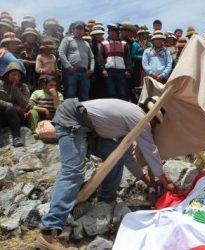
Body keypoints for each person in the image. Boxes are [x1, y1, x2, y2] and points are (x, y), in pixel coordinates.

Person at [36, 97, 175, 249]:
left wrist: (148, 181)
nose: (154, 126)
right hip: (73, 119)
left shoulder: (129, 118)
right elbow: (150, 150)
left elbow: (126, 155)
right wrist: (164, 180)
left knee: (115, 155)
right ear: (152, 115)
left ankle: (106, 200)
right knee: (73, 172)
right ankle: (49, 232)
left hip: (88, 129)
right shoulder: (139, 117)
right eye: (156, 122)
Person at [58, 21, 94, 101]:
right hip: (72, 72)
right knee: (71, 95)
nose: (79, 31)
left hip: (84, 73)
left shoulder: (86, 43)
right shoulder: (67, 39)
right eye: (77, 29)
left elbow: (92, 57)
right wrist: (68, 66)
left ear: (84, 31)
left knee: (84, 96)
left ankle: (83, 113)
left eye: (81, 29)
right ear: (73, 30)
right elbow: (61, 53)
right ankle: (70, 113)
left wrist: (91, 69)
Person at [99, 23, 132, 100]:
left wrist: (128, 70)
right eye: (110, 31)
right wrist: (103, 69)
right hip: (109, 72)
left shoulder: (124, 44)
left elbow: (128, 58)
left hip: (121, 72)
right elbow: (100, 58)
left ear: (118, 32)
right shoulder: (104, 43)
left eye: (114, 31)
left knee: (122, 93)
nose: (112, 32)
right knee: (111, 93)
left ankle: (122, 111)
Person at [0, 62, 30, 147]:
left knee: (11, 110)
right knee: (8, 108)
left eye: (18, 75)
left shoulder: (24, 87)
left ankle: (16, 137)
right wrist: (9, 104)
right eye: (13, 74)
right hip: (3, 115)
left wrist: (15, 88)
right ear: (7, 75)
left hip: (18, 117)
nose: (16, 77)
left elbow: (24, 103)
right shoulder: (1, 84)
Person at [89, 24, 107, 99]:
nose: (99, 36)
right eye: (97, 34)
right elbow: (90, 59)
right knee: (94, 90)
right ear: (94, 35)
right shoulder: (90, 45)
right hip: (95, 71)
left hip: (104, 70)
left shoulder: (105, 44)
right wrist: (92, 74)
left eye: (100, 34)